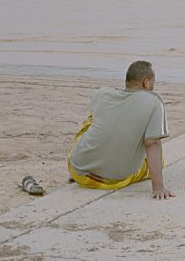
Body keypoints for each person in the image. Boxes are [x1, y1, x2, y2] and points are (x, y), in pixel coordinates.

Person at [67, 60, 172, 199]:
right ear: (146, 82)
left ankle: (89, 163)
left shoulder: (102, 94)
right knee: (159, 158)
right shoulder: (154, 102)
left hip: (77, 171)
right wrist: (158, 187)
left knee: (91, 121)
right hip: (113, 181)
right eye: (153, 81)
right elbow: (152, 144)